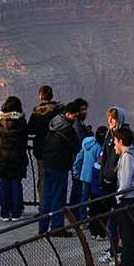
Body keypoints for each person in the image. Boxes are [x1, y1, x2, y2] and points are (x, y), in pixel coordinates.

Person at [38, 99, 80, 233]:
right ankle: (57, 227)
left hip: (48, 163)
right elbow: (76, 146)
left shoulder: (54, 124)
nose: (76, 118)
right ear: (68, 114)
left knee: (47, 196)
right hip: (60, 165)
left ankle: (42, 227)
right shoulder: (68, 130)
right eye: (75, 116)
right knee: (58, 197)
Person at [109, 125, 134, 266]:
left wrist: (118, 196)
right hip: (133, 197)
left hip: (127, 198)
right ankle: (133, 260)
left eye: (115, 141)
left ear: (121, 141)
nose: (114, 145)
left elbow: (126, 182)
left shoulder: (127, 158)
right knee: (129, 231)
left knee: (126, 232)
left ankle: (127, 262)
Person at [0, 96, 27, 221]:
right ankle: (16, 213)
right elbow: (24, 137)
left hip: (3, 155)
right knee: (16, 184)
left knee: (4, 184)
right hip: (18, 156)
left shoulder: (0, 122)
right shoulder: (21, 122)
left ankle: (4, 213)